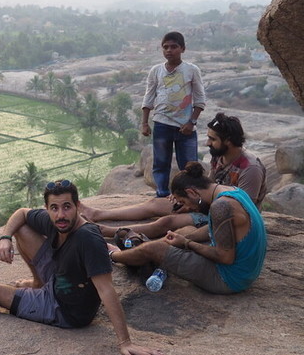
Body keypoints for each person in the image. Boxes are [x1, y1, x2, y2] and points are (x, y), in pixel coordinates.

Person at [0, 180, 164, 355]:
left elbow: (106, 290)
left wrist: (125, 342)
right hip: (58, 275)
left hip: (63, 308)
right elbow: (21, 213)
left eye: (67, 207)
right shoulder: (54, 221)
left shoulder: (87, 238)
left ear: (78, 207)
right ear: (47, 209)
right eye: (54, 208)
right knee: (22, 228)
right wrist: (4, 238)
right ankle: (37, 283)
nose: (61, 215)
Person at [91, 113, 267, 240]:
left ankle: (107, 231)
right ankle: (98, 213)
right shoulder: (219, 156)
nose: (208, 143)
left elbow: (244, 211)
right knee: (155, 204)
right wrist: (188, 200)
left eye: (213, 139)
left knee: (167, 222)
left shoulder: (250, 168)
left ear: (228, 140)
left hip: (225, 218)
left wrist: (195, 204)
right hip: (208, 205)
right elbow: (209, 186)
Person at [111, 162, 266, 294]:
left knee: (155, 249)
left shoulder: (220, 206)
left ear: (191, 192)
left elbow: (225, 257)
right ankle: (144, 252)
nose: (187, 208)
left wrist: (186, 243)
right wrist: (184, 238)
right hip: (247, 272)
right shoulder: (232, 191)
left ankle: (113, 255)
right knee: (187, 231)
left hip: (229, 279)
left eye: (183, 202)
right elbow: (215, 229)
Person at [141, 32, 206, 198]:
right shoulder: (156, 71)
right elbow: (149, 96)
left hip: (186, 127)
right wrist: (144, 123)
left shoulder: (191, 70)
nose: (169, 50)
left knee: (190, 167)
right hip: (161, 124)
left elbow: (199, 99)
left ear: (183, 49)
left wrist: (192, 122)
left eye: (174, 47)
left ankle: (189, 198)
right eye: (165, 47)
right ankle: (162, 195)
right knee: (161, 164)